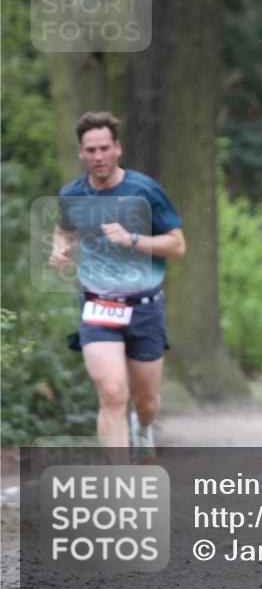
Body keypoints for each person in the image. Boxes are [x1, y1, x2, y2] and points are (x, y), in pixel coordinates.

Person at [49, 112, 185, 463]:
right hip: (99, 306)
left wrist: (133, 239)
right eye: (91, 150)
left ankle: (143, 427)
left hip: (144, 307)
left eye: (104, 148)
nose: (98, 156)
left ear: (117, 148)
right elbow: (64, 230)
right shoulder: (72, 195)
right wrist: (60, 249)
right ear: (81, 153)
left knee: (146, 402)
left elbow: (177, 245)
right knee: (111, 393)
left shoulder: (145, 190)